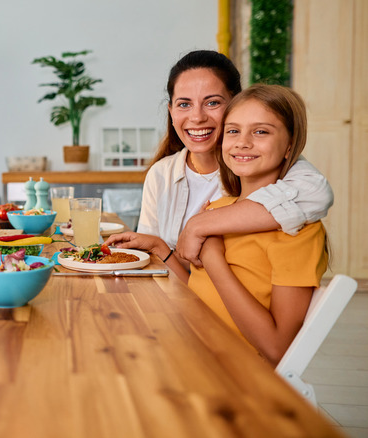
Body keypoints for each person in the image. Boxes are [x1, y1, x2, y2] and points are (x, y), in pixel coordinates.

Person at [105, 50, 331, 277]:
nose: (197, 117)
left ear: (237, 105)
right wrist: (157, 246)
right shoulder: (162, 173)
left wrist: (202, 223)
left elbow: (316, 193)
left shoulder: (259, 166)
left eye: (212, 102)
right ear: (171, 112)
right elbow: (153, 265)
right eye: (184, 104)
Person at [188, 84, 327, 365]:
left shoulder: (296, 229)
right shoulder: (219, 210)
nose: (242, 142)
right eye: (233, 131)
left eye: (261, 131)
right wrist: (160, 249)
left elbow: (278, 348)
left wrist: (213, 256)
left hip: (235, 375)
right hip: (189, 348)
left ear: (290, 146)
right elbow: (200, 290)